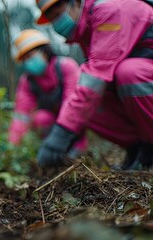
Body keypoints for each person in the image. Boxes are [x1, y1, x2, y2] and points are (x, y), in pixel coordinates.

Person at [34, 0, 153, 169]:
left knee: (129, 74)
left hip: (143, 72)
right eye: (52, 18)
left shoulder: (108, 11)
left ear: (75, 2)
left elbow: (96, 76)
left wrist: (60, 136)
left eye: (58, 13)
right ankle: (138, 149)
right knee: (90, 101)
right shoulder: (86, 30)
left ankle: (149, 148)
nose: (57, 22)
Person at [8, 29, 88, 157]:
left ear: (43, 51)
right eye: (24, 60)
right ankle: (51, 150)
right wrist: (11, 148)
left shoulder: (66, 66)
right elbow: (21, 115)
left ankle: (78, 147)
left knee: (79, 111)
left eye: (30, 56)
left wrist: (60, 137)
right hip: (51, 126)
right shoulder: (28, 81)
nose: (28, 62)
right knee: (41, 118)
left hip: (74, 124)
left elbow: (73, 105)